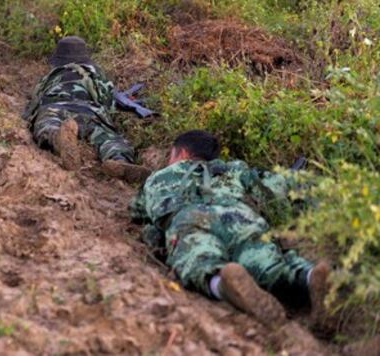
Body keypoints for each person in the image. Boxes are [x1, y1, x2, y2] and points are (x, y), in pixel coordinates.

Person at [130, 130, 331, 329]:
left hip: (190, 219)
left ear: (181, 153)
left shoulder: (158, 177)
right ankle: (308, 275)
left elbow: (138, 211)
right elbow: (272, 190)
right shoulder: (233, 169)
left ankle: (224, 285)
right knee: (268, 264)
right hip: (240, 215)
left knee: (199, 260)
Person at [23, 36, 150, 182]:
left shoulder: (51, 76)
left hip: (55, 106)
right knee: (107, 138)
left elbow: (36, 100)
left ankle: (57, 138)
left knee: (48, 125)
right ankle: (119, 159)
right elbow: (108, 104)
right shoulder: (96, 74)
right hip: (89, 111)